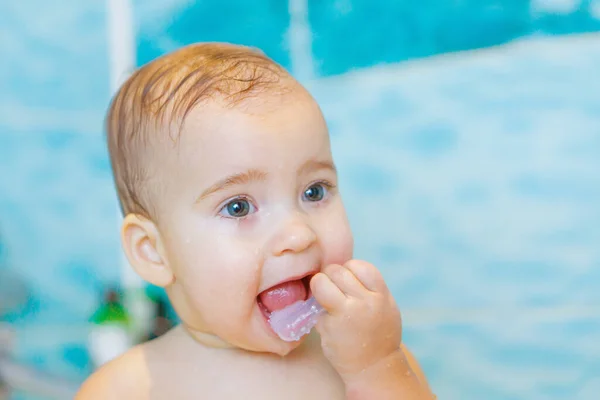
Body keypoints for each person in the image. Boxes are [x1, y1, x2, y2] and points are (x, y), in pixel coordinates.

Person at [75, 42, 435, 399]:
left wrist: (378, 370)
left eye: (314, 192)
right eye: (238, 207)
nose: (298, 234)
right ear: (153, 251)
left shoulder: (371, 363)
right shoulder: (123, 391)